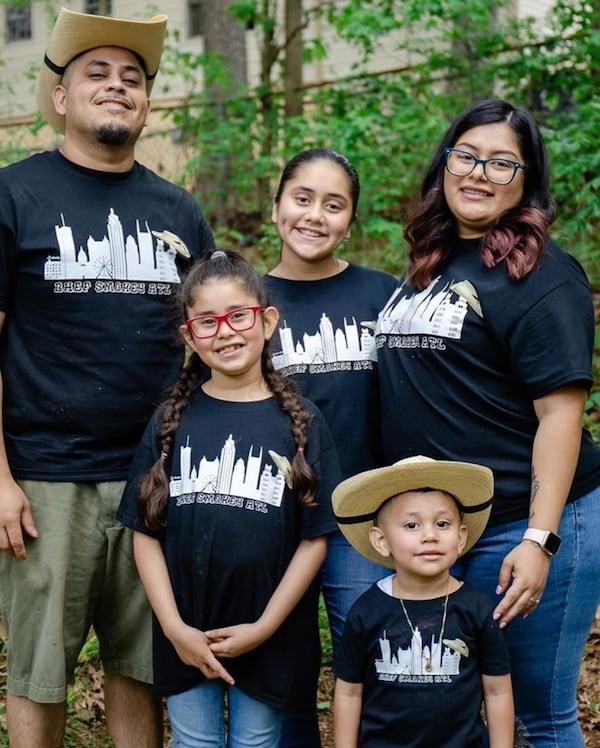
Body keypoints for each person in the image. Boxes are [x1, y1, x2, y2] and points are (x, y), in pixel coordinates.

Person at [0, 9, 215, 748]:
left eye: (133, 79)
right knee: (39, 670)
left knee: (141, 666)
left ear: (147, 104)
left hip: (153, 476)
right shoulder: (13, 195)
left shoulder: (179, 211)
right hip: (42, 481)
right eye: (97, 74)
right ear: (60, 98)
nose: (118, 87)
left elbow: (214, 346)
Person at [375, 98, 600, 747]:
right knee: (459, 713)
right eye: (467, 156)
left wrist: (539, 540)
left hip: (520, 527)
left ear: (526, 179)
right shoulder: (429, 262)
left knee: (538, 712)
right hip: (445, 530)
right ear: (444, 163)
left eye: (501, 163)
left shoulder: (542, 276)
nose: (479, 172)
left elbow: (561, 414)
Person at [117, 249, 340, 748]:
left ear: (267, 320)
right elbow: (144, 535)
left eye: (238, 315)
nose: (225, 331)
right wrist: (174, 629)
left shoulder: (300, 423)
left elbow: (314, 540)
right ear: (188, 336)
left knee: (257, 741)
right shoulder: (172, 423)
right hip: (186, 628)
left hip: (269, 632)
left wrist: (264, 627)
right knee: (195, 741)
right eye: (207, 322)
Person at [265, 148, 397, 746]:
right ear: (277, 208)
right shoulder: (246, 301)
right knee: (283, 674)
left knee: (371, 663)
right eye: (302, 198)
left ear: (351, 220)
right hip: (275, 518)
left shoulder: (385, 297)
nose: (315, 215)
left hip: (362, 517)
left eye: (334, 204)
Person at [332, 455, 514, 748]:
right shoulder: (366, 611)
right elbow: (349, 692)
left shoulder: (477, 609)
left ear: (461, 537)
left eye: (442, 523)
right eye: (412, 526)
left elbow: (497, 691)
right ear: (382, 540)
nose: (430, 535)